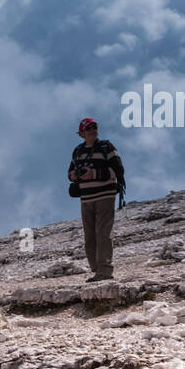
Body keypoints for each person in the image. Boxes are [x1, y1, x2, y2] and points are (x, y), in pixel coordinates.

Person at [67, 117, 124, 282]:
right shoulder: (77, 151)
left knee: (103, 233)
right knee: (90, 236)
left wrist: (94, 174)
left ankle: (105, 271)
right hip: (86, 198)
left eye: (95, 127)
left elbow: (119, 170)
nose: (93, 129)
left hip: (105, 195)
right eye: (89, 128)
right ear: (82, 133)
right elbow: (69, 174)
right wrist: (75, 175)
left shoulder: (106, 146)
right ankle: (96, 269)